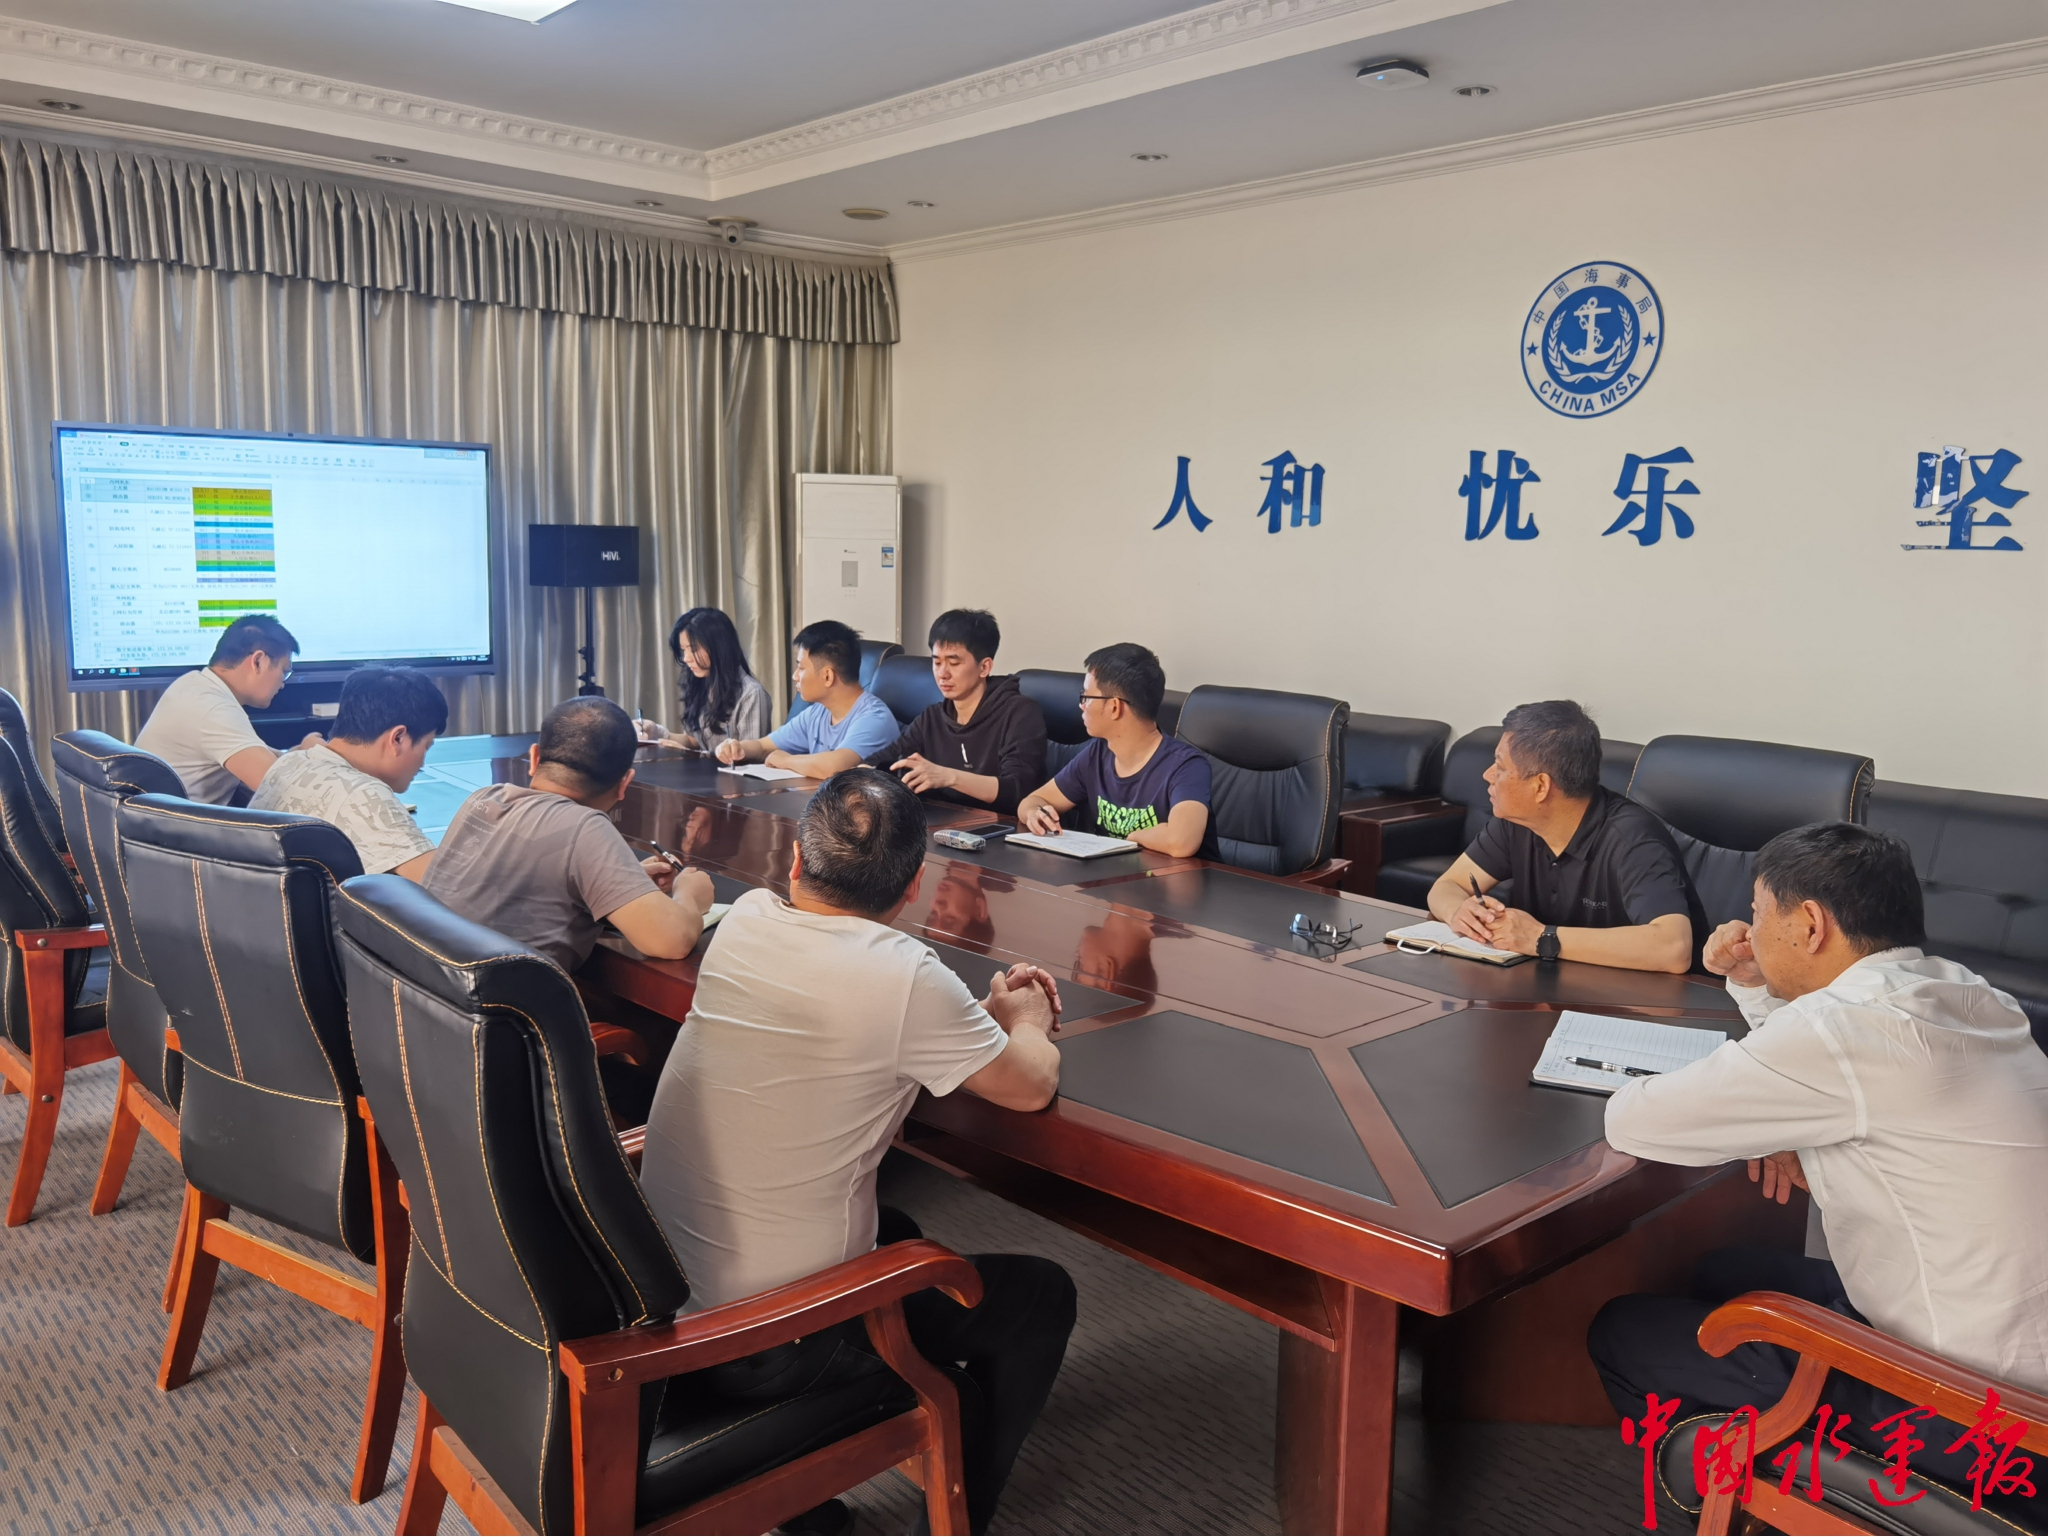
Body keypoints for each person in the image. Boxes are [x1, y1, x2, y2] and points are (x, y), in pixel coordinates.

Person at [638, 767, 1075, 1535]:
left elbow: (866, 1014)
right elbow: (1030, 1085)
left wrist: (972, 1017)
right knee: (1041, 1294)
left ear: (795, 861)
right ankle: (955, 1517)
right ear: (912, 888)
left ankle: (804, 1504)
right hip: (771, 1342)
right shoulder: (904, 976)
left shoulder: (745, 922)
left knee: (898, 1228)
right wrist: (1027, 1019)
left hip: (662, 1304)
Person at [1588, 823, 2048, 1518]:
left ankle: (1766, 1506)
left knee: (1622, 1330)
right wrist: (1758, 992)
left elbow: (1634, 1119)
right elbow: (1828, 1077)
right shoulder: (1968, 993)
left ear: (1809, 924)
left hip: (1974, 1414)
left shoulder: (1845, 1029)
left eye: (1758, 912)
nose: (1749, 929)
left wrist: (1766, 1121)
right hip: (2010, 1360)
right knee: (1721, 1272)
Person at [425, 696, 714, 972]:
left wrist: (621, 884)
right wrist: (688, 895)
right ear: (624, 784)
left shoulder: (484, 799)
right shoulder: (585, 827)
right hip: (501, 1005)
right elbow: (671, 942)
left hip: (430, 994)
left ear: (534, 758)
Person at [1425, 700, 1705, 973]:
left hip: (1641, 996)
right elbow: (1448, 884)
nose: (1487, 775)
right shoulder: (1517, 822)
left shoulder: (1631, 838)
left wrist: (1540, 938)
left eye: (1500, 767)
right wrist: (1459, 912)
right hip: (1550, 985)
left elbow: (1673, 948)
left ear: (1540, 787)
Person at [1017, 642, 1212, 858]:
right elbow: (1033, 800)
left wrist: (1133, 837)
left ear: (1114, 707)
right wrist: (1034, 813)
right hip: (1113, 874)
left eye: (1086, 697)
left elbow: (1181, 842)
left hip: (1175, 878)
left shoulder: (1186, 766)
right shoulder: (1097, 754)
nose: (1082, 705)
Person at [250, 665, 445, 880]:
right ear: (398, 738)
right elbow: (443, 887)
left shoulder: (290, 762)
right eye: (426, 746)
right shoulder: (363, 793)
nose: (422, 764)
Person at [864, 609, 1046, 815]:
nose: (942, 674)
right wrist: (864, 771)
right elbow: (882, 760)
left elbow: (1018, 789)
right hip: (941, 822)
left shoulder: (1020, 713)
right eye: (937, 662)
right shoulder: (932, 717)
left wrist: (948, 777)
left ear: (984, 667)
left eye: (954, 663)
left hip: (1003, 826)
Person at [136, 613, 321, 803]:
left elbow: (268, 759)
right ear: (258, 661)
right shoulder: (214, 708)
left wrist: (302, 751)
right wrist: (313, 758)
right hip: (180, 822)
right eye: (284, 671)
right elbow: (281, 787)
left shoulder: (194, 684)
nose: (282, 683)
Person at [713, 619, 898, 777]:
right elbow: (763, 746)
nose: (795, 676)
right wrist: (737, 748)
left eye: (801, 668)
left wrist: (786, 760)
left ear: (827, 676)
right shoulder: (818, 712)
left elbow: (836, 768)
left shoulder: (874, 718)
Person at [635, 606, 772, 759]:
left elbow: (749, 759)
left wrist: (692, 755)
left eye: (693, 649)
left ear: (718, 648)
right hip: (703, 773)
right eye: (683, 650)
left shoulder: (751, 694)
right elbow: (694, 741)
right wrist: (658, 733)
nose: (686, 658)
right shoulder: (701, 684)